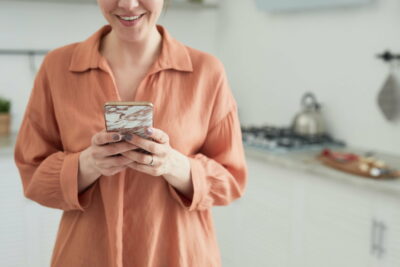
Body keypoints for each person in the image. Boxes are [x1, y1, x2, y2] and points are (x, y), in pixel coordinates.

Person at [14, 0, 247, 266]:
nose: (127, 4)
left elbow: (231, 180)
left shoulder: (207, 71)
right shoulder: (56, 67)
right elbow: (32, 175)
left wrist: (173, 165)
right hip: (86, 255)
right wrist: (87, 164)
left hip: (179, 255)